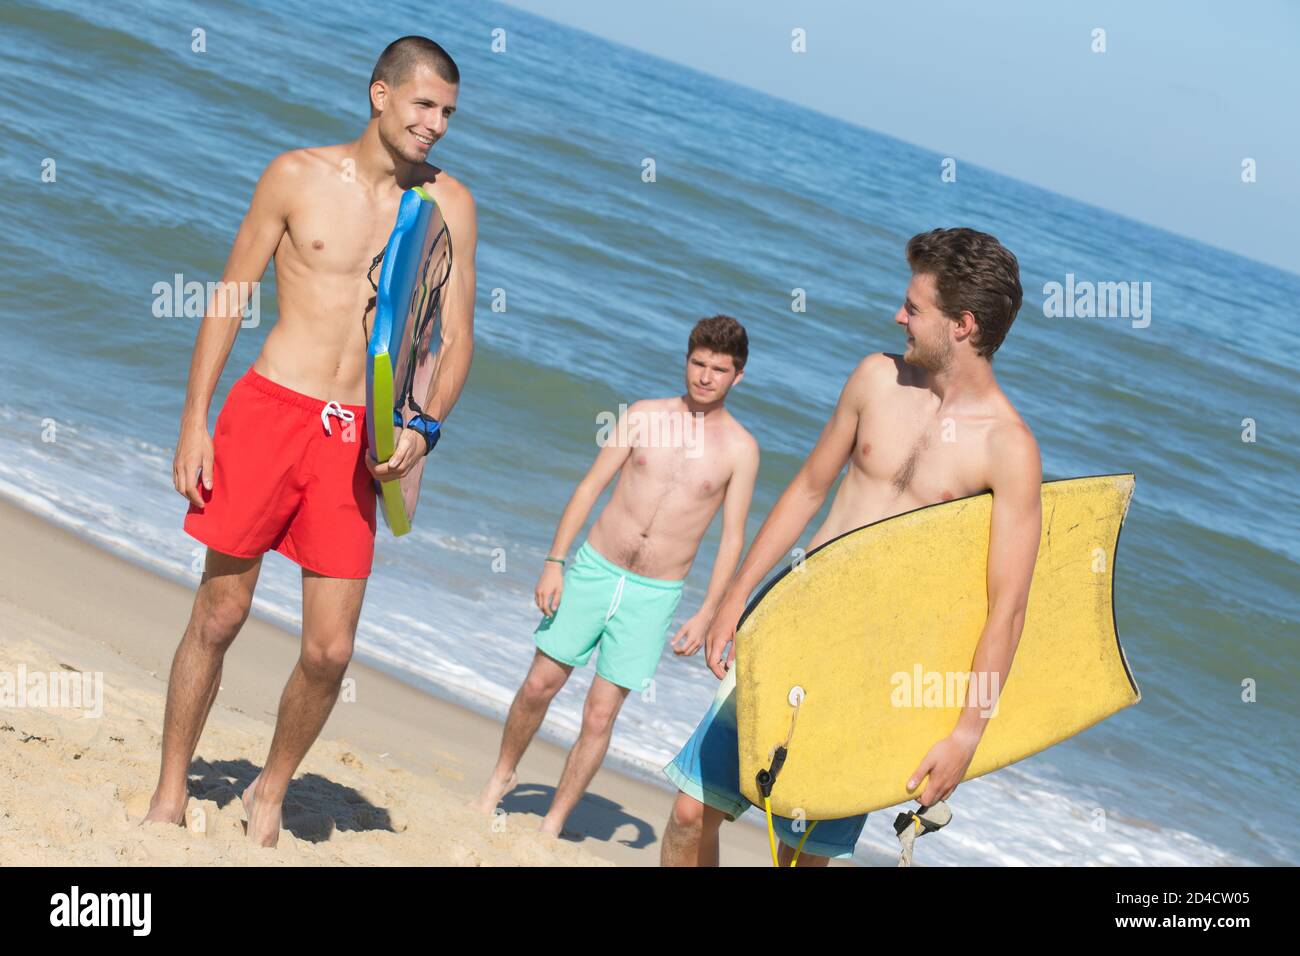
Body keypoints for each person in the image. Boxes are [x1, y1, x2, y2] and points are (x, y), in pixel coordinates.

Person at [145, 36, 478, 846]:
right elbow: (230, 295)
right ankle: (167, 791)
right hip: (269, 413)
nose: (435, 125)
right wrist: (195, 419)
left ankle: (271, 789)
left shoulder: (447, 208)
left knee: (329, 652)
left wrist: (425, 432)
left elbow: (458, 336)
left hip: (357, 442)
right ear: (379, 95)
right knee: (220, 615)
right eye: (423, 105)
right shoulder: (295, 176)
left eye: (448, 113)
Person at [661, 228, 1042, 866]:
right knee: (690, 809)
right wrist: (734, 599)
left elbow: (1007, 606)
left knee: (801, 855)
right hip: (792, 629)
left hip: (872, 674)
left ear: (963, 325)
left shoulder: (1008, 449)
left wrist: (966, 734)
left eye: (915, 308)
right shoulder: (875, 378)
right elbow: (809, 490)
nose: (899, 315)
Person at [476, 316, 760, 838]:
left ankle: (554, 822)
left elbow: (733, 540)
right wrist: (555, 561)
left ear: (737, 377)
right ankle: (501, 776)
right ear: (687, 359)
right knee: (540, 684)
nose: (704, 377)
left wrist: (709, 613)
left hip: (654, 596)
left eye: (718, 370)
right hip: (593, 569)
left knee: (599, 715)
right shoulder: (643, 416)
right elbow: (589, 488)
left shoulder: (741, 449)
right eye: (698, 363)